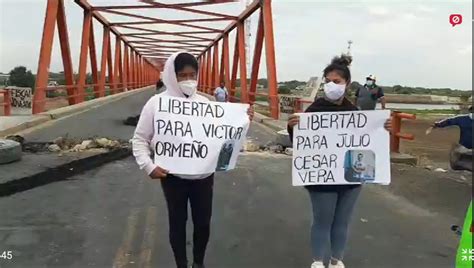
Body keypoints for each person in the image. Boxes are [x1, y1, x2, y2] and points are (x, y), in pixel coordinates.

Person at [132, 52, 254, 268]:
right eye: (182, 75)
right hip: (173, 177)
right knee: (177, 224)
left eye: (192, 75)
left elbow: (222, 138)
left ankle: (198, 263)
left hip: (203, 177)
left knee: (203, 224)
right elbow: (140, 139)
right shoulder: (157, 103)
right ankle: (181, 264)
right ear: (172, 76)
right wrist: (148, 166)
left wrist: (243, 121)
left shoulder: (205, 104)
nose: (188, 80)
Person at [287, 55, 392, 268]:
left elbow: (367, 142)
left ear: (347, 84)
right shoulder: (313, 111)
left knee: (342, 222)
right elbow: (303, 145)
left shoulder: (354, 113)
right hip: (321, 179)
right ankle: (318, 262)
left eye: (337, 81)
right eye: (328, 81)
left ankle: (336, 261)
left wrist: (383, 130)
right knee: (322, 221)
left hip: (350, 178)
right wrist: (293, 127)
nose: (331, 85)